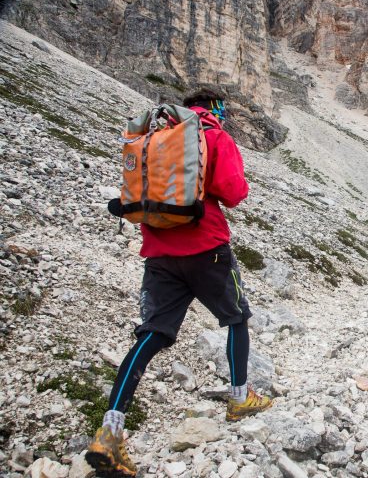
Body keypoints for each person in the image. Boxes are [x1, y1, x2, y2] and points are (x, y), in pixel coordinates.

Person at [85, 89, 272, 477]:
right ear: (216, 108)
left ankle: (109, 432)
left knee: (151, 334)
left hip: (158, 252)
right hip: (208, 250)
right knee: (236, 318)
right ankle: (239, 398)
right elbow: (234, 193)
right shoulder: (214, 135)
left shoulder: (159, 137)